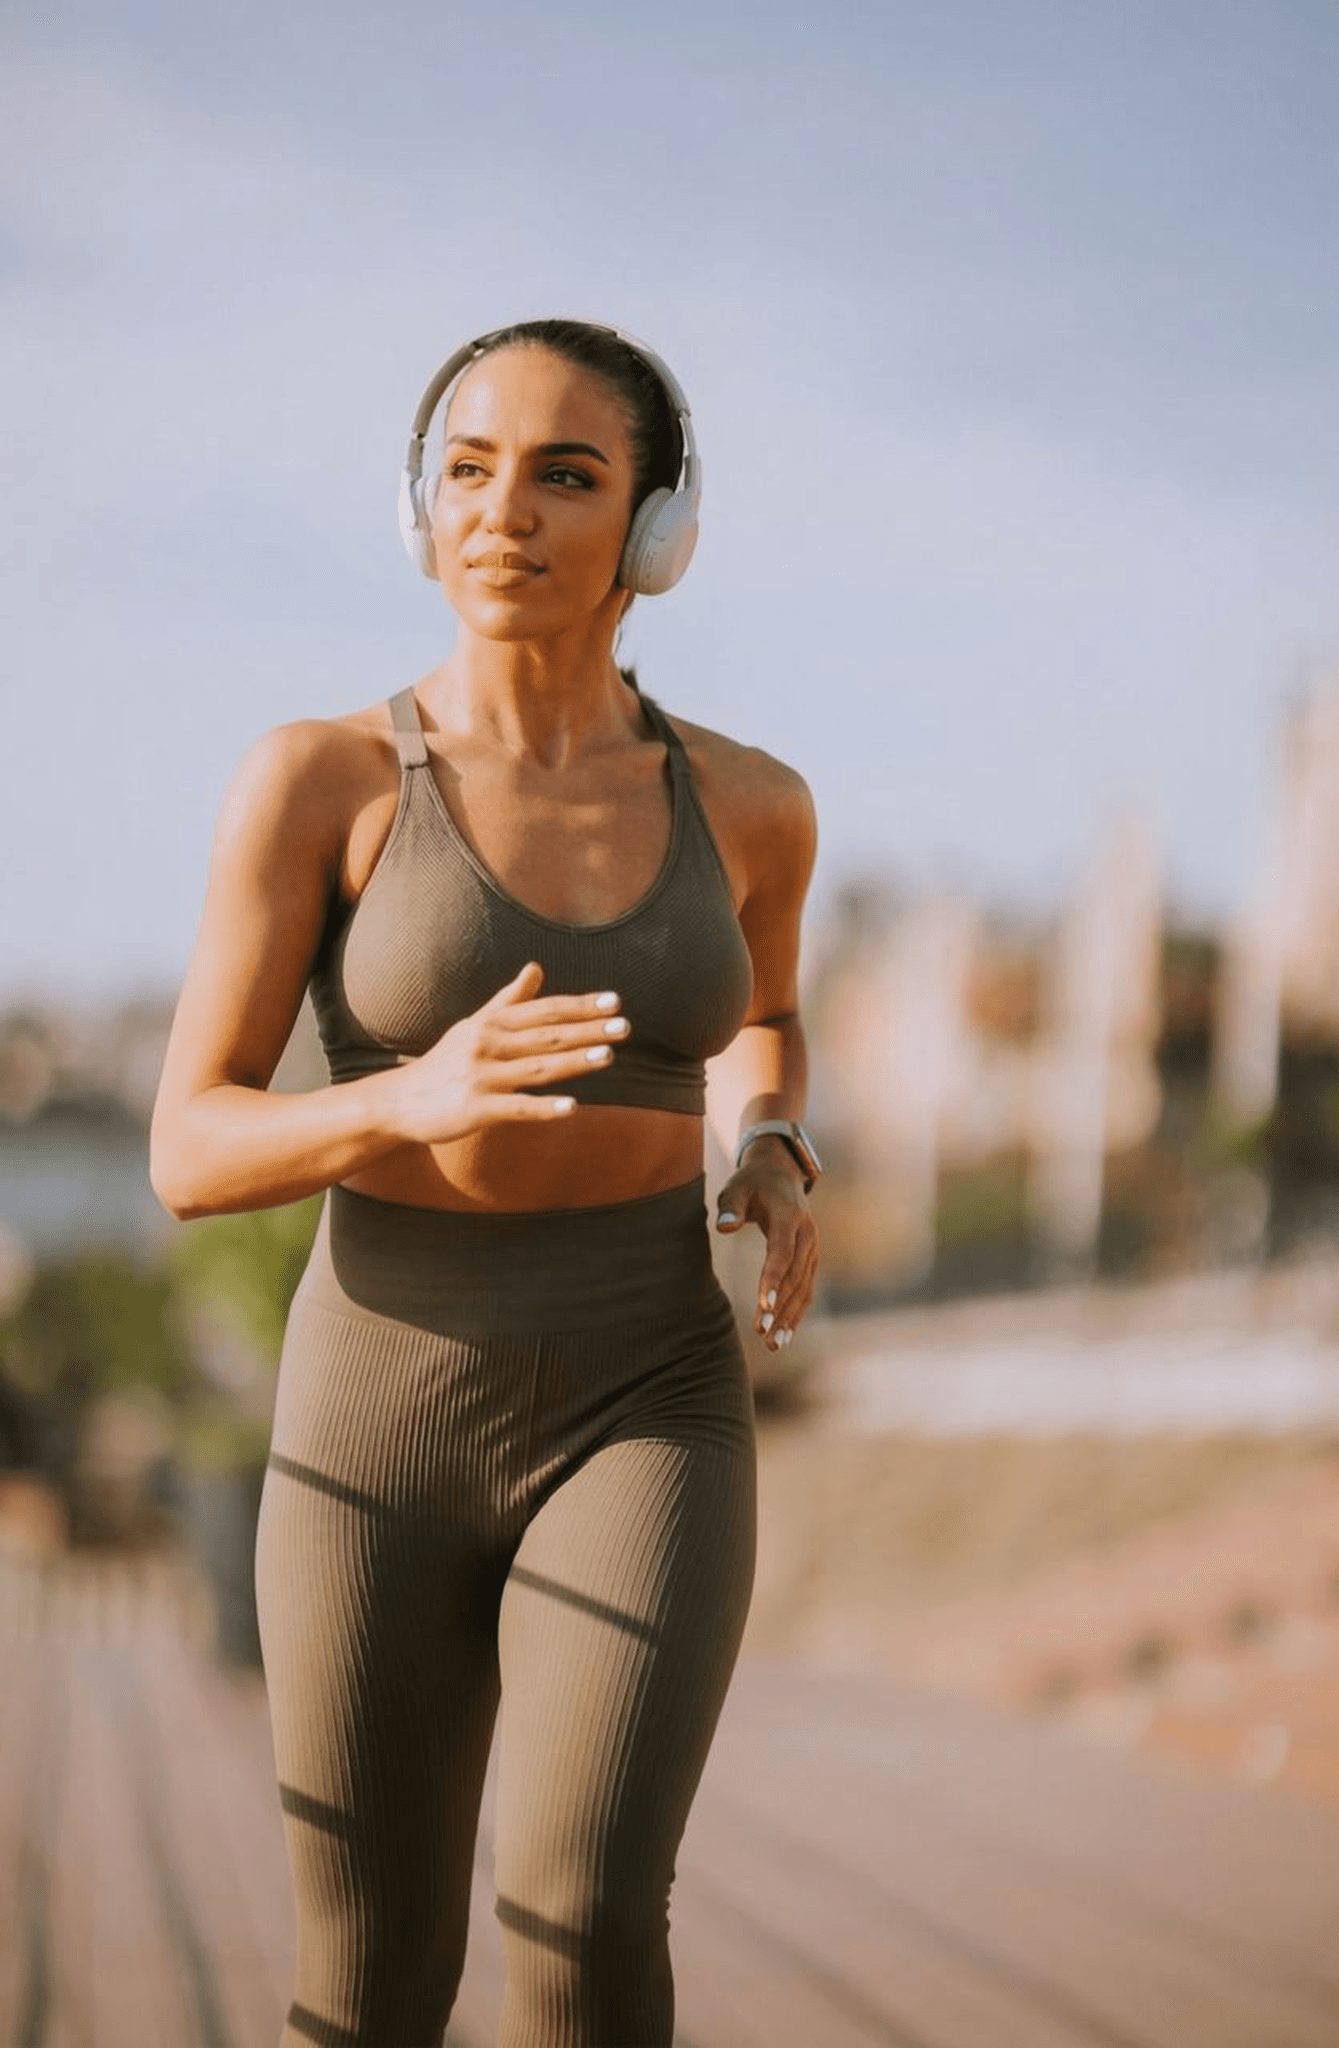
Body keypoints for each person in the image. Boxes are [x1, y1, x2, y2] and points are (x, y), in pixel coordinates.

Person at [151, 318, 820, 2048]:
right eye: (465, 468)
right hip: (380, 1391)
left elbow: (767, 1016)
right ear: (415, 508)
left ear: (655, 535)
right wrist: (405, 1102)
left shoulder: (748, 804)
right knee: (368, 1975)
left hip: (650, 1382)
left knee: (587, 1916)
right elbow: (190, 1146)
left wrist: (769, 1139)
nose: (500, 511)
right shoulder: (324, 782)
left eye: (565, 474)